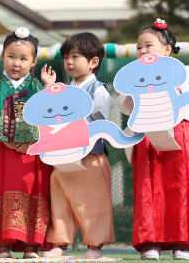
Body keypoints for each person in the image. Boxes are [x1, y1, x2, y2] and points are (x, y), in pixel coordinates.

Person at [117, 19, 189, 260]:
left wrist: (172, 92)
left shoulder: (183, 70)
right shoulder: (132, 73)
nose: (142, 51)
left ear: (167, 50)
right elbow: (124, 105)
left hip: (178, 133)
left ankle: (182, 243)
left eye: (148, 45)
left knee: (180, 187)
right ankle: (149, 242)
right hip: (146, 134)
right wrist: (135, 95)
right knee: (148, 187)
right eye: (139, 47)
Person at [0, 27, 52, 258]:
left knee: (32, 190)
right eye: (11, 56)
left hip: (32, 151)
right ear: (2, 56)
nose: (16, 63)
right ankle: (1, 246)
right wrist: (5, 139)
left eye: (23, 58)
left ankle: (32, 244)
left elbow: (48, 115)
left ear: (34, 62)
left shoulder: (38, 89)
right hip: (1, 150)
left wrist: (49, 88)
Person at [40, 32, 115, 258]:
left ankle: (94, 246)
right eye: (65, 57)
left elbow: (101, 124)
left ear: (93, 62)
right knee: (60, 201)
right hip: (62, 157)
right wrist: (50, 87)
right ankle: (59, 245)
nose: (69, 62)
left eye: (75, 56)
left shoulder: (99, 90)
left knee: (92, 202)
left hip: (91, 157)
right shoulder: (63, 88)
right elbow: (49, 114)